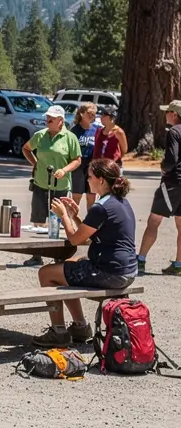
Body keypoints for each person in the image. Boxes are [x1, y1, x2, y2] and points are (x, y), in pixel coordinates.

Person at [32, 158, 138, 348]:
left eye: (89, 177)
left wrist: (63, 215)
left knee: (46, 273)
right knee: (71, 263)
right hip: (127, 270)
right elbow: (88, 235)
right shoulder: (120, 202)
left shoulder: (101, 207)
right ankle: (80, 327)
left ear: (101, 180)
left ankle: (58, 331)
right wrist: (74, 216)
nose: (87, 181)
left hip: (110, 273)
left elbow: (75, 239)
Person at [21, 104, 82, 267]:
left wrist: (64, 170)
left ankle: (59, 256)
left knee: (60, 219)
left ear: (60, 121)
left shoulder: (70, 137)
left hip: (61, 185)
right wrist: (35, 164)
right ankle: (37, 255)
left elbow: (77, 160)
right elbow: (26, 149)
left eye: (52, 118)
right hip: (41, 183)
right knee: (39, 221)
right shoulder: (40, 135)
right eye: (47, 117)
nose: (47, 120)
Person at [137, 99, 181, 277]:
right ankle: (178, 264)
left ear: (174, 114)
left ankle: (140, 260)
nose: (165, 115)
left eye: (167, 112)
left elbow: (172, 158)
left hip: (173, 182)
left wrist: (163, 166)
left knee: (154, 221)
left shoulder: (174, 132)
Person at [70, 102, 99, 208]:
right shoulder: (75, 130)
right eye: (89, 113)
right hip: (78, 166)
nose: (92, 116)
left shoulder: (97, 130)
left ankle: (89, 223)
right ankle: (71, 222)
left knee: (91, 198)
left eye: (94, 114)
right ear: (82, 114)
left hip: (92, 166)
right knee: (76, 197)